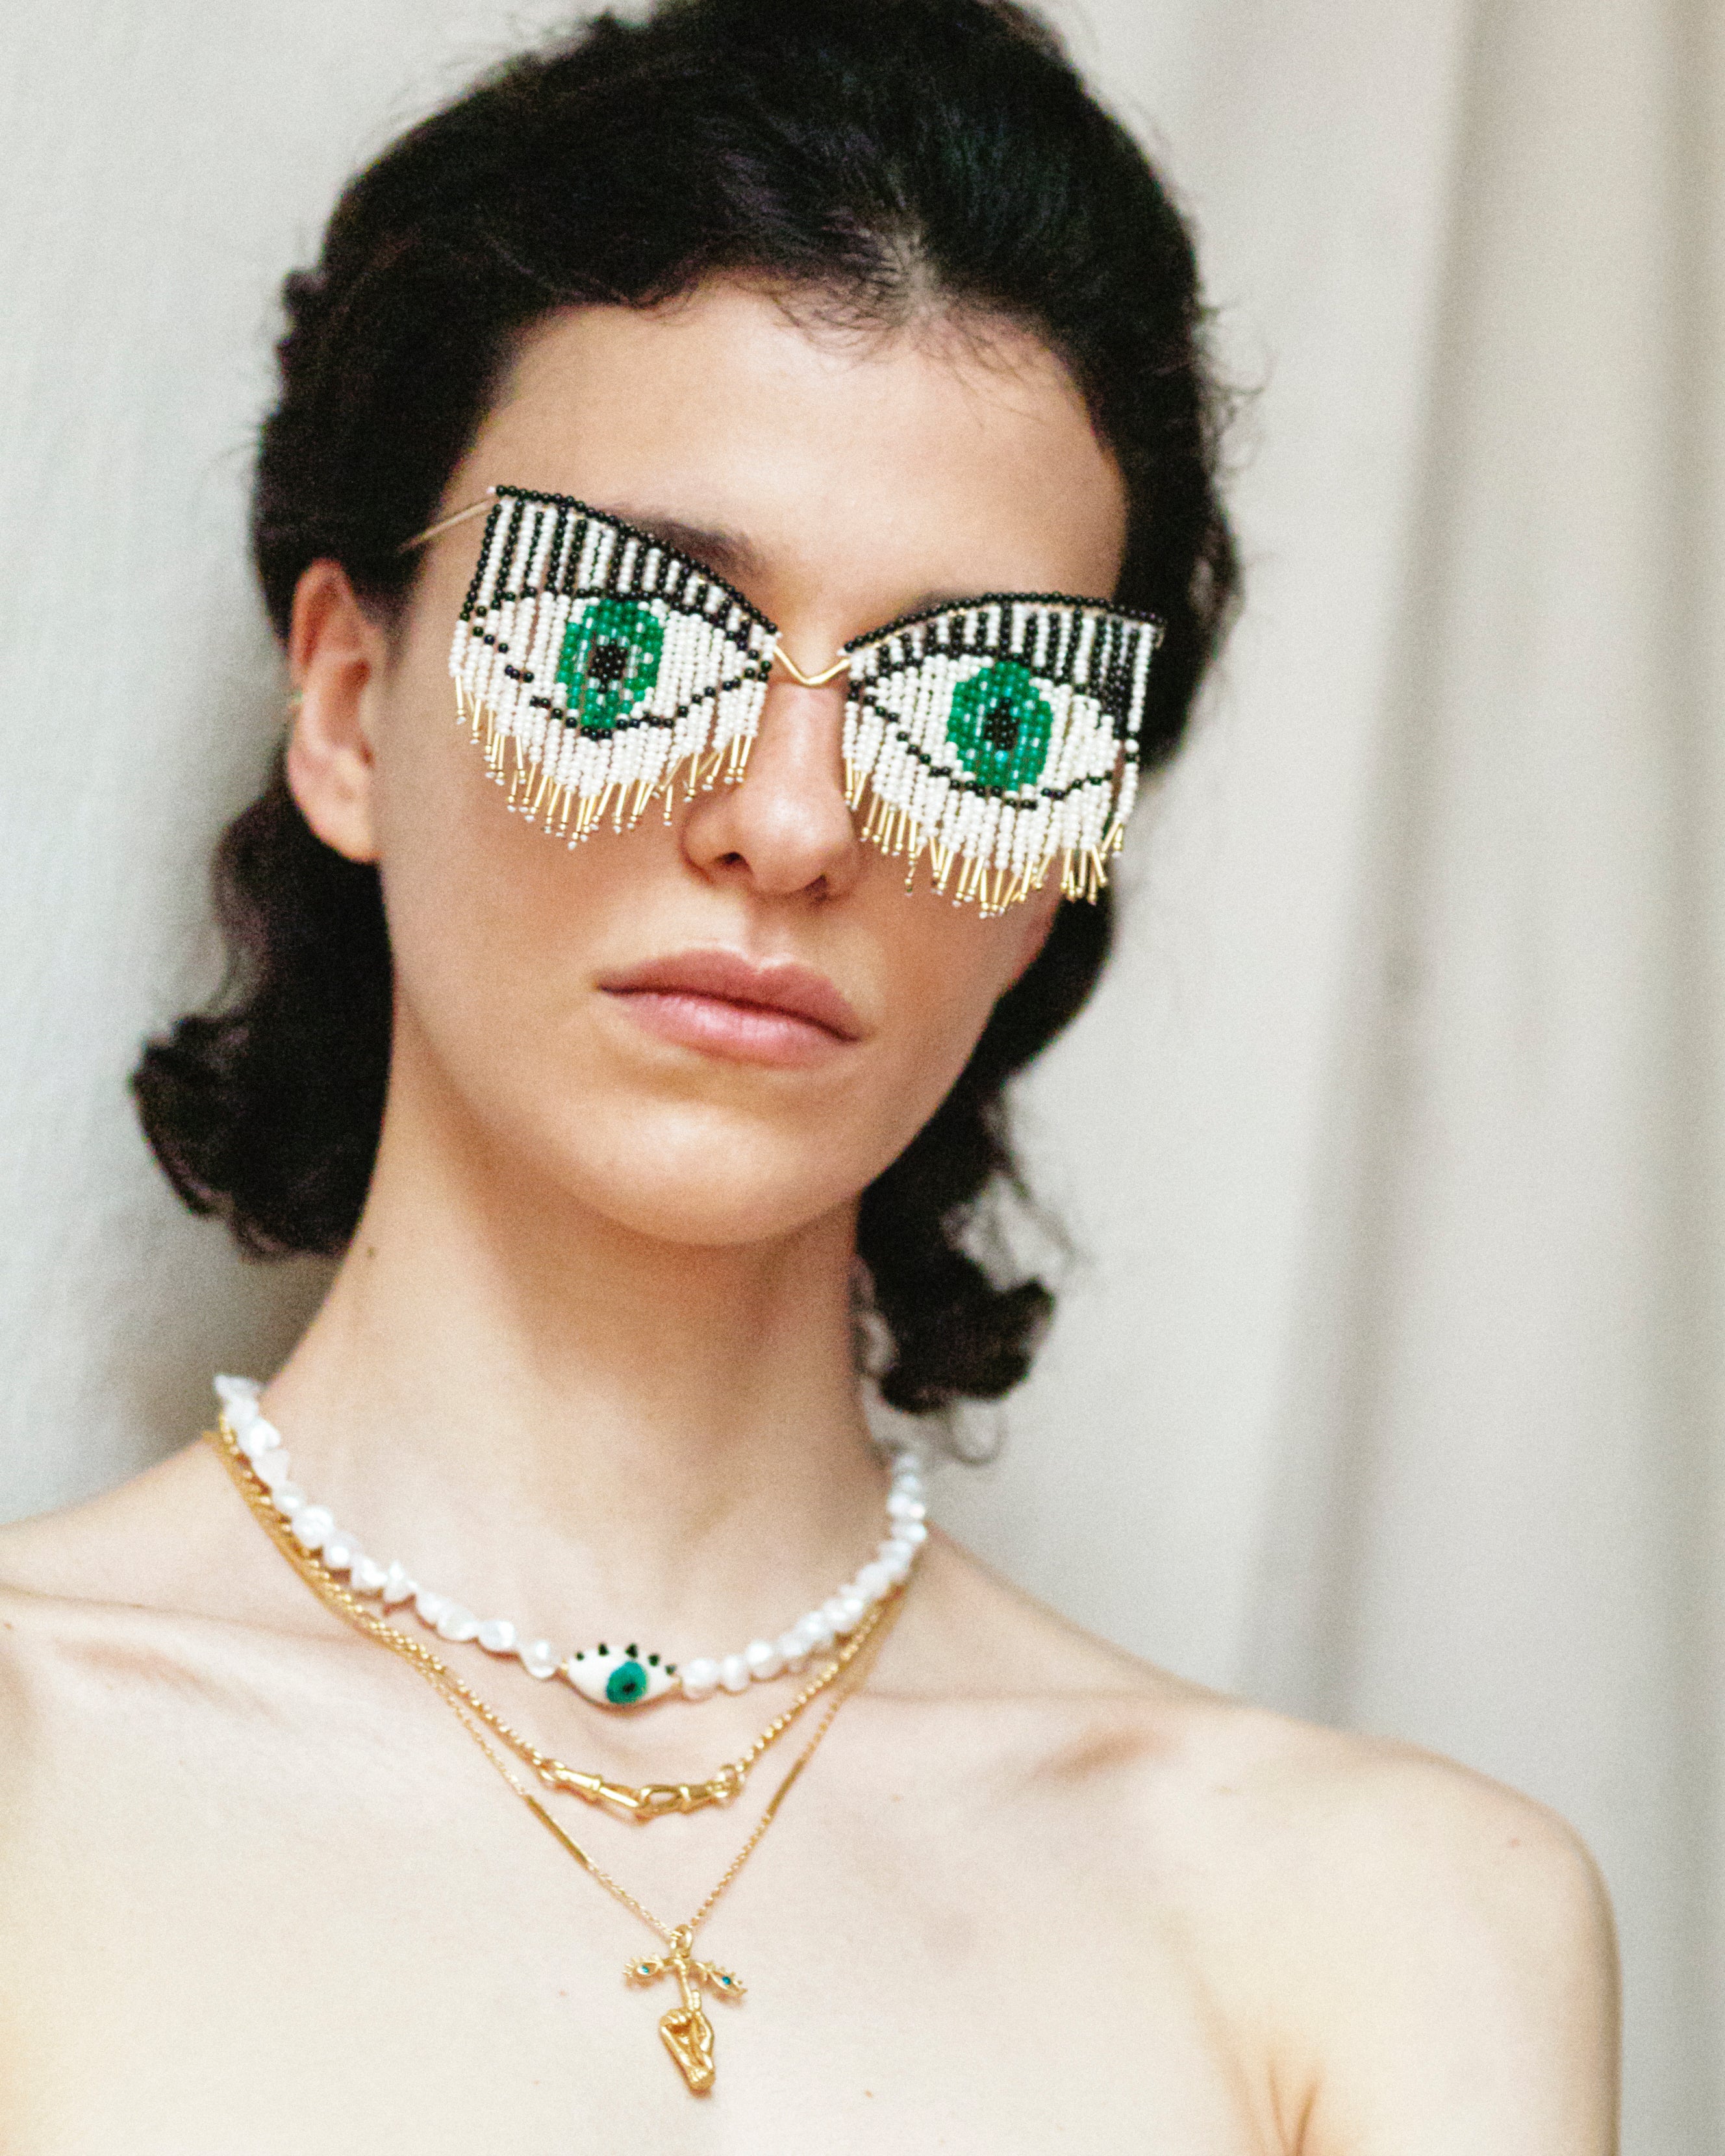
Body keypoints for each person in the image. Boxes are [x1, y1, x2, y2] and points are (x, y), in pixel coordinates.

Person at [0, 1, 1618, 2146]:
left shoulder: (1387, 1927)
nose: (789, 823)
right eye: (626, 643)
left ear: (1056, 865)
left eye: (986, 713)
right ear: (350, 705)